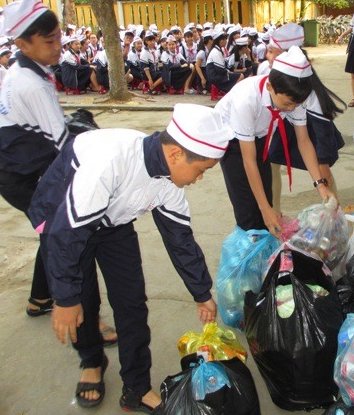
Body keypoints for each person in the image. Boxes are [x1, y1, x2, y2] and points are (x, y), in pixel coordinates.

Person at [27, 104, 234, 412]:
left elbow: (180, 240)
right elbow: (65, 235)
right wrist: (65, 298)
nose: (199, 178)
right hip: (65, 217)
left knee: (132, 303)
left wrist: (201, 293)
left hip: (113, 222)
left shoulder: (168, 182)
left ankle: (136, 387)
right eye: (201, 170)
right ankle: (92, 362)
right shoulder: (111, 162)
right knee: (82, 302)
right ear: (177, 154)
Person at [0, 0, 116, 345]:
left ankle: (39, 298)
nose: (59, 45)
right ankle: (83, 320)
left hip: (19, 174)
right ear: (23, 43)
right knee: (69, 235)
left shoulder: (25, 71)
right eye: (49, 40)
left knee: (51, 232)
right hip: (24, 180)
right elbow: (64, 146)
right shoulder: (29, 83)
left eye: (59, 36)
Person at [214, 46, 336, 238]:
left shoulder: (292, 98)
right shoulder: (246, 99)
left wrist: (320, 184)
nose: (292, 108)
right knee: (248, 210)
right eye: (288, 104)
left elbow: (304, 142)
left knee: (267, 201)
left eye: (296, 104)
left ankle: (264, 250)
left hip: (259, 137)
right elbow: (248, 160)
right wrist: (265, 210)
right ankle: (246, 252)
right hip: (232, 143)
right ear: (270, 87)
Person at [260, 23, 346, 212]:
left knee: (324, 174)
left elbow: (320, 132)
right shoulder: (266, 71)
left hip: (310, 131)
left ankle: (335, 215)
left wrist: (322, 164)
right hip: (280, 129)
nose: (268, 57)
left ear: (286, 54)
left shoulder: (306, 87)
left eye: (273, 52)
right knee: (271, 166)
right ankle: (275, 212)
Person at [206, 29, 243, 94]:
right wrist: (229, 72)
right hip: (215, 76)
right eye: (225, 39)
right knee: (241, 76)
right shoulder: (215, 52)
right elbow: (220, 69)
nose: (226, 41)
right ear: (220, 41)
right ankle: (232, 94)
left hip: (216, 74)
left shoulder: (218, 50)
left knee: (238, 75)